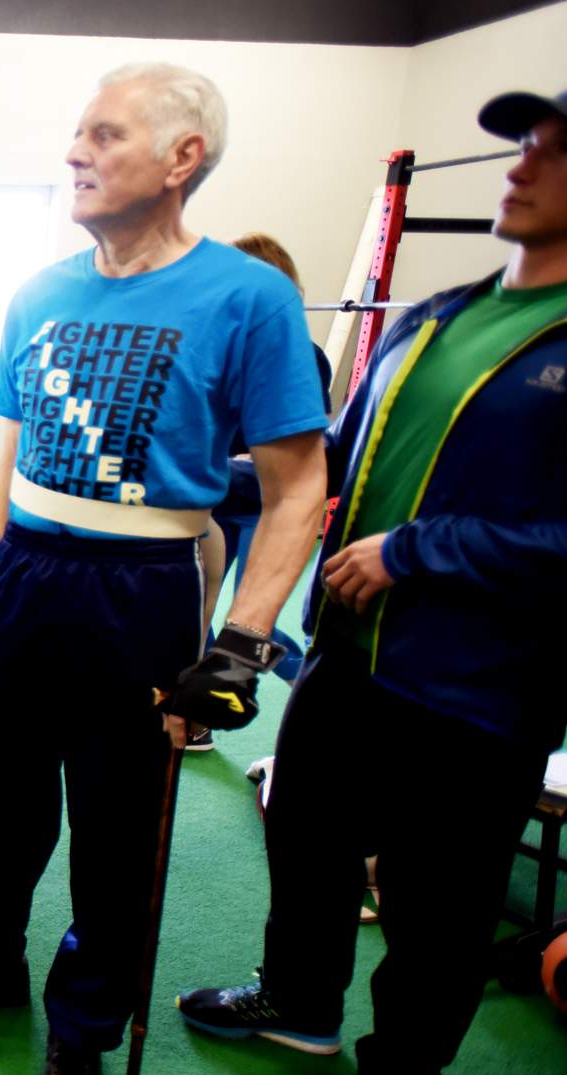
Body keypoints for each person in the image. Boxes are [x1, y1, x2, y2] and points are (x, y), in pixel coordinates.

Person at [177, 65, 567, 1075]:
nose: (524, 162)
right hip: (345, 649)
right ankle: (295, 999)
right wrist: (199, 480)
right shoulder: (441, 313)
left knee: (434, 896)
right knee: (305, 830)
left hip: (480, 678)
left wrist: (424, 551)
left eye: (563, 146)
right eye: (524, 140)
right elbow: (331, 463)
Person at [0, 63, 329, 1075]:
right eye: (74, 134)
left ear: (181, 158)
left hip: (144, 588)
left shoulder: (247, 297)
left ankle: (83, 1024)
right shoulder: (40, 290)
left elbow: (294, 486)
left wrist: (239, 640)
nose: (73, 152)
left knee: (115, 823)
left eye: (102, 133)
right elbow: (13, 449)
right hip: (31, 572)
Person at [185, 231, 334, 751]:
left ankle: (316, 697)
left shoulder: (304, 357)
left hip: (266, 511)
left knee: (251, 623)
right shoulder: (213, 349)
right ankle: (197, 714)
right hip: (214, 502)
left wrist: (248, 461)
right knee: (193, 614)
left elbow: (300, 453)